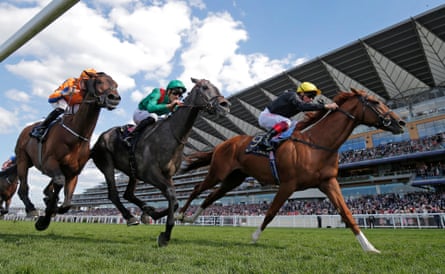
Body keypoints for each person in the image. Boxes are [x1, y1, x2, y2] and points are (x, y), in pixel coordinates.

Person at [258, 81, 338, 149]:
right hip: (266, 116)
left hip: (275, 118)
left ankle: (278, 140)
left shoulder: (298, 100)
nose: (311, 99)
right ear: (302, 93)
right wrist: (326, 106)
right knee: (287, 122)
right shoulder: (292, 95)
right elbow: (302, 106)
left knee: (296, 124)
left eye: (313, 97)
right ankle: (266, 139)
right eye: (310, 96)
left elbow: (305, 107)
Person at [29, 68, 97, 140]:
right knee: (63, 107)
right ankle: (41, 128)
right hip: (58, 98)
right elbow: (58, 95)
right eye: (85, 82)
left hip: (72, 104)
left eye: (89, 84)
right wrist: (67, 92)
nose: (87, 85)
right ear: (81, 79)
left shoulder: (89, 91)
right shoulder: (71, 81)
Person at [124, 79, 187, 146]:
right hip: (141, 113)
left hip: (153, 117)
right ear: (168, 91)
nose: (177, 97)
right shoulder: (158, 92)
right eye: (175, 93)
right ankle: (130, 137)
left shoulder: (175, 103)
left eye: (180, 95)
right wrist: (170, 105)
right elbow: (150, 108)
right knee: (154, 116)